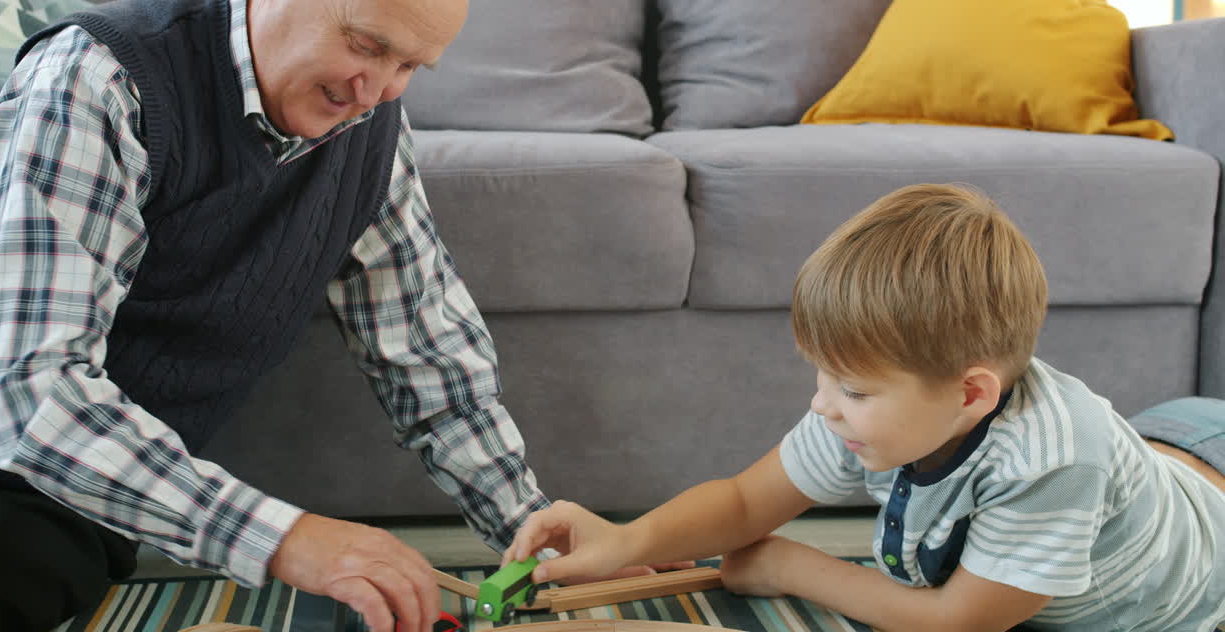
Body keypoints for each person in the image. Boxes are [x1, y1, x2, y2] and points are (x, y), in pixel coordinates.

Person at [0, 0, 682, 630]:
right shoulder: (96, 81)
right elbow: (34, 396)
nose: (378, 92)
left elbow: (422, 346)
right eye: (367, 45)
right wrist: (289, 538)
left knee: (32, 570)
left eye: (409, 67)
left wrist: (528, 530)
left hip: (73, 496)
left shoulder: (369, 125)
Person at [505, 183, 1225, 632]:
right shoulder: (866, 419)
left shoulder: (1054, 464)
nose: (824, 407)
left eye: (852, 389)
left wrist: (795, 568)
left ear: (971, 394)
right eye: (823, 377)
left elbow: (957, 622)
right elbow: (744, 501)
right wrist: (626, 542)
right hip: (1165, 447)